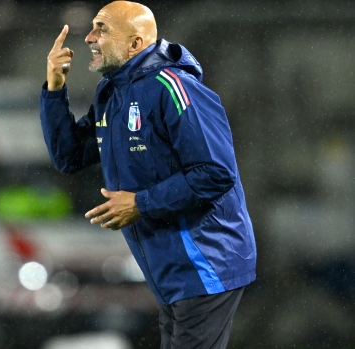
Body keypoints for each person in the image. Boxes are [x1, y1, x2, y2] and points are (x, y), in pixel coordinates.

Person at [39, 1, 256, 348]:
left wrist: (141, 203)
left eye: (102, 29)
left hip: (206, 263)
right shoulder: (111, 93)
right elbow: (69, 156)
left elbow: (216, 172)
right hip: (169, 272)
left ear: (135, 44)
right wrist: (54, 88)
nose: (90, 37)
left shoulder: (174, 86)